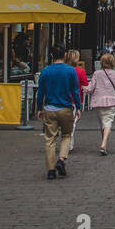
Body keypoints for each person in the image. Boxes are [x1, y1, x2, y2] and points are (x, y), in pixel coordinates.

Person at [35, 47, 81, 180]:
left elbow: (41, 91)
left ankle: (50, 170)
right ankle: (61, 160)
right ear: (65, 55)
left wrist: (39, 108)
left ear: (51, 55)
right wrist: (78, 107)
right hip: (66, 108)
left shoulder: (45, 71)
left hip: (49, 108)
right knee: (67, 135)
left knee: (50, 139)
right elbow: (75, 91)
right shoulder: (70, 70)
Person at [84, 52, 115, 155]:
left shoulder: (97, 74)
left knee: (103, 123)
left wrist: (84, 89)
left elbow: (91, 88)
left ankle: (104, 143)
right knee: (107, 122)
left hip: (99, 102)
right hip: (111, 101)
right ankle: (103, 144)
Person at [64, 49, 89, 153]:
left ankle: (66, 142)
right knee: (72, 123)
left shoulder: (63, 70)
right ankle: (68, 144)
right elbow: (85, 84)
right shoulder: (80, 71)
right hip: (74, 99)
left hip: (62, 98)